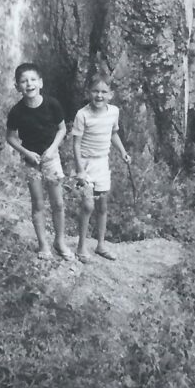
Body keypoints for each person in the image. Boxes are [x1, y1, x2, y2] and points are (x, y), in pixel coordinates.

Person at [6, 63, 74, 260]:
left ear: (41, 83)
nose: (29, 84)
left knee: (58, 203)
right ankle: (43, 245)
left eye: (33, 80)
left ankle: (59, 242)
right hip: (30, 161)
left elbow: (62, 129)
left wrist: (53, 148)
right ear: (17, 86)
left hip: (51, 159)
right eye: (24, 81)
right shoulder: (16, 111)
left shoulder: (52, 104)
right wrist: (26, 152)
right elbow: (10, 137)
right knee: (38, 204)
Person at [71, 74, 130, 262]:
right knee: (88, 205)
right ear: (89, 93)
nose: (99, 95)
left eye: (104, 92)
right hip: (85, 164)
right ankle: (81, 248)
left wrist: (122, 152)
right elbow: (76, 144)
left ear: (111, 94)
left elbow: (113, 133)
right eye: (95, 91)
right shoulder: (82, 115)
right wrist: (80, 170)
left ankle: (101, 245)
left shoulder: (114, 112)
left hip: (102, 163)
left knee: (102, 206)